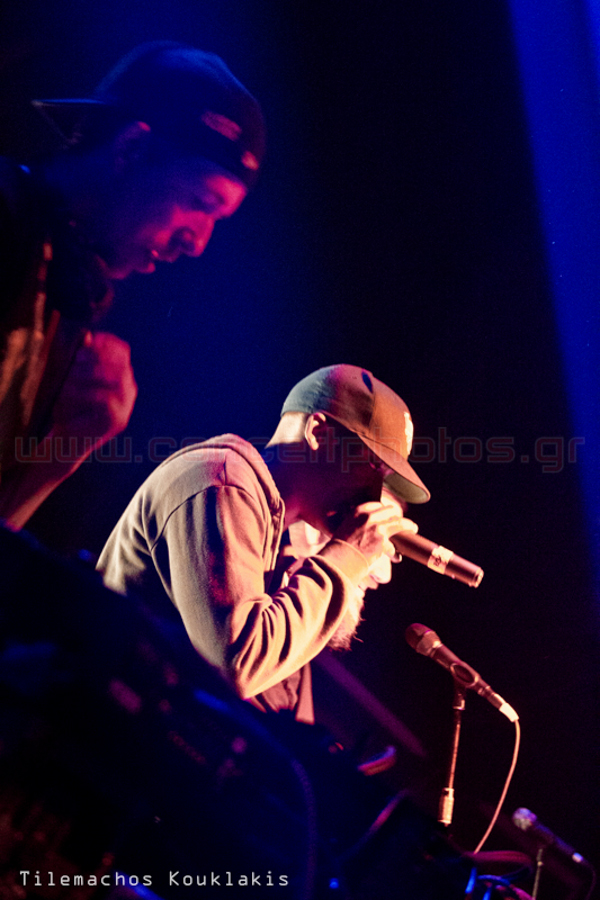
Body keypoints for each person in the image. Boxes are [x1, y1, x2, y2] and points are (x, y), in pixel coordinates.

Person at [0, 41, 265, 529]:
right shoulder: (9, 218)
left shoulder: (69, 292)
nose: (198, 243)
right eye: (201, 203)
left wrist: (61, 454)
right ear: (131, 149)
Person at [97, 364, 430, 722]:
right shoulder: (224, 482)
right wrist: (344, 559)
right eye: (373, 466)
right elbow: (240, 663)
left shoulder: (268, 527)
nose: (374, 496)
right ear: (319, 432)